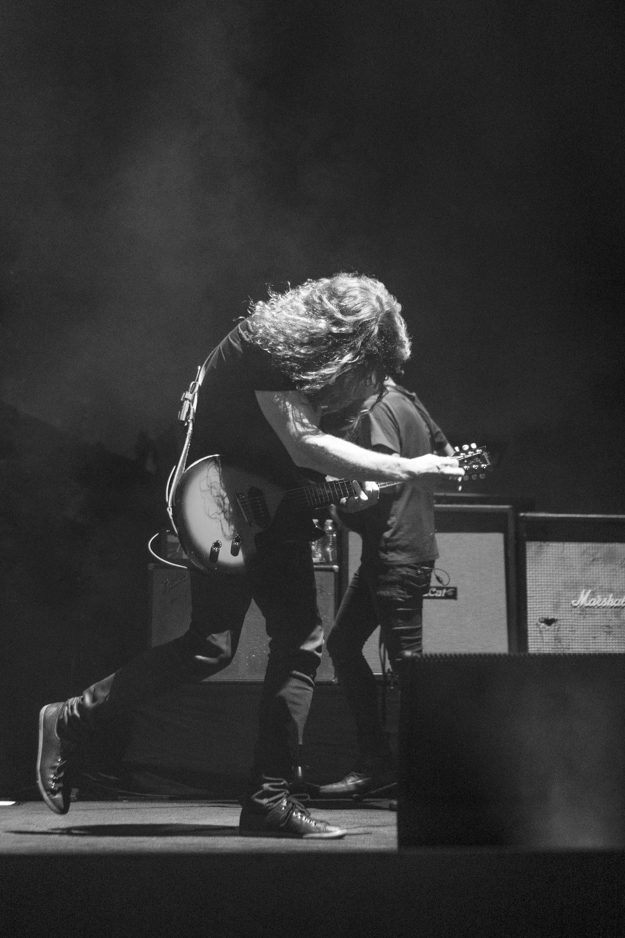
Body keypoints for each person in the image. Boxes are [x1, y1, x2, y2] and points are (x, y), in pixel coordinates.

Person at [37, 273, 463, 838]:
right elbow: (302, 441)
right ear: (345, 343)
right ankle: (77, 721)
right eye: (371, 365)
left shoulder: (305, 366)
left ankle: (264, 797)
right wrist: (407, 468)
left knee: (254, 642)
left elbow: (299, 459)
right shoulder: (266, 347)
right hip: (214, 501)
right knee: (253, 641)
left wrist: (345, 487)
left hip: (262, 506)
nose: (373, 382)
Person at [318, 379, 454, 798]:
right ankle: (378, 763)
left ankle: (425, 780)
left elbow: (376, 482)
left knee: (408, 669)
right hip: (395, 551)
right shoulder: (410, 400)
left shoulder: (376, 409)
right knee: (343, 644)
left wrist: (343, 507)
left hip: (397, 553)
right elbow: (448, 460)